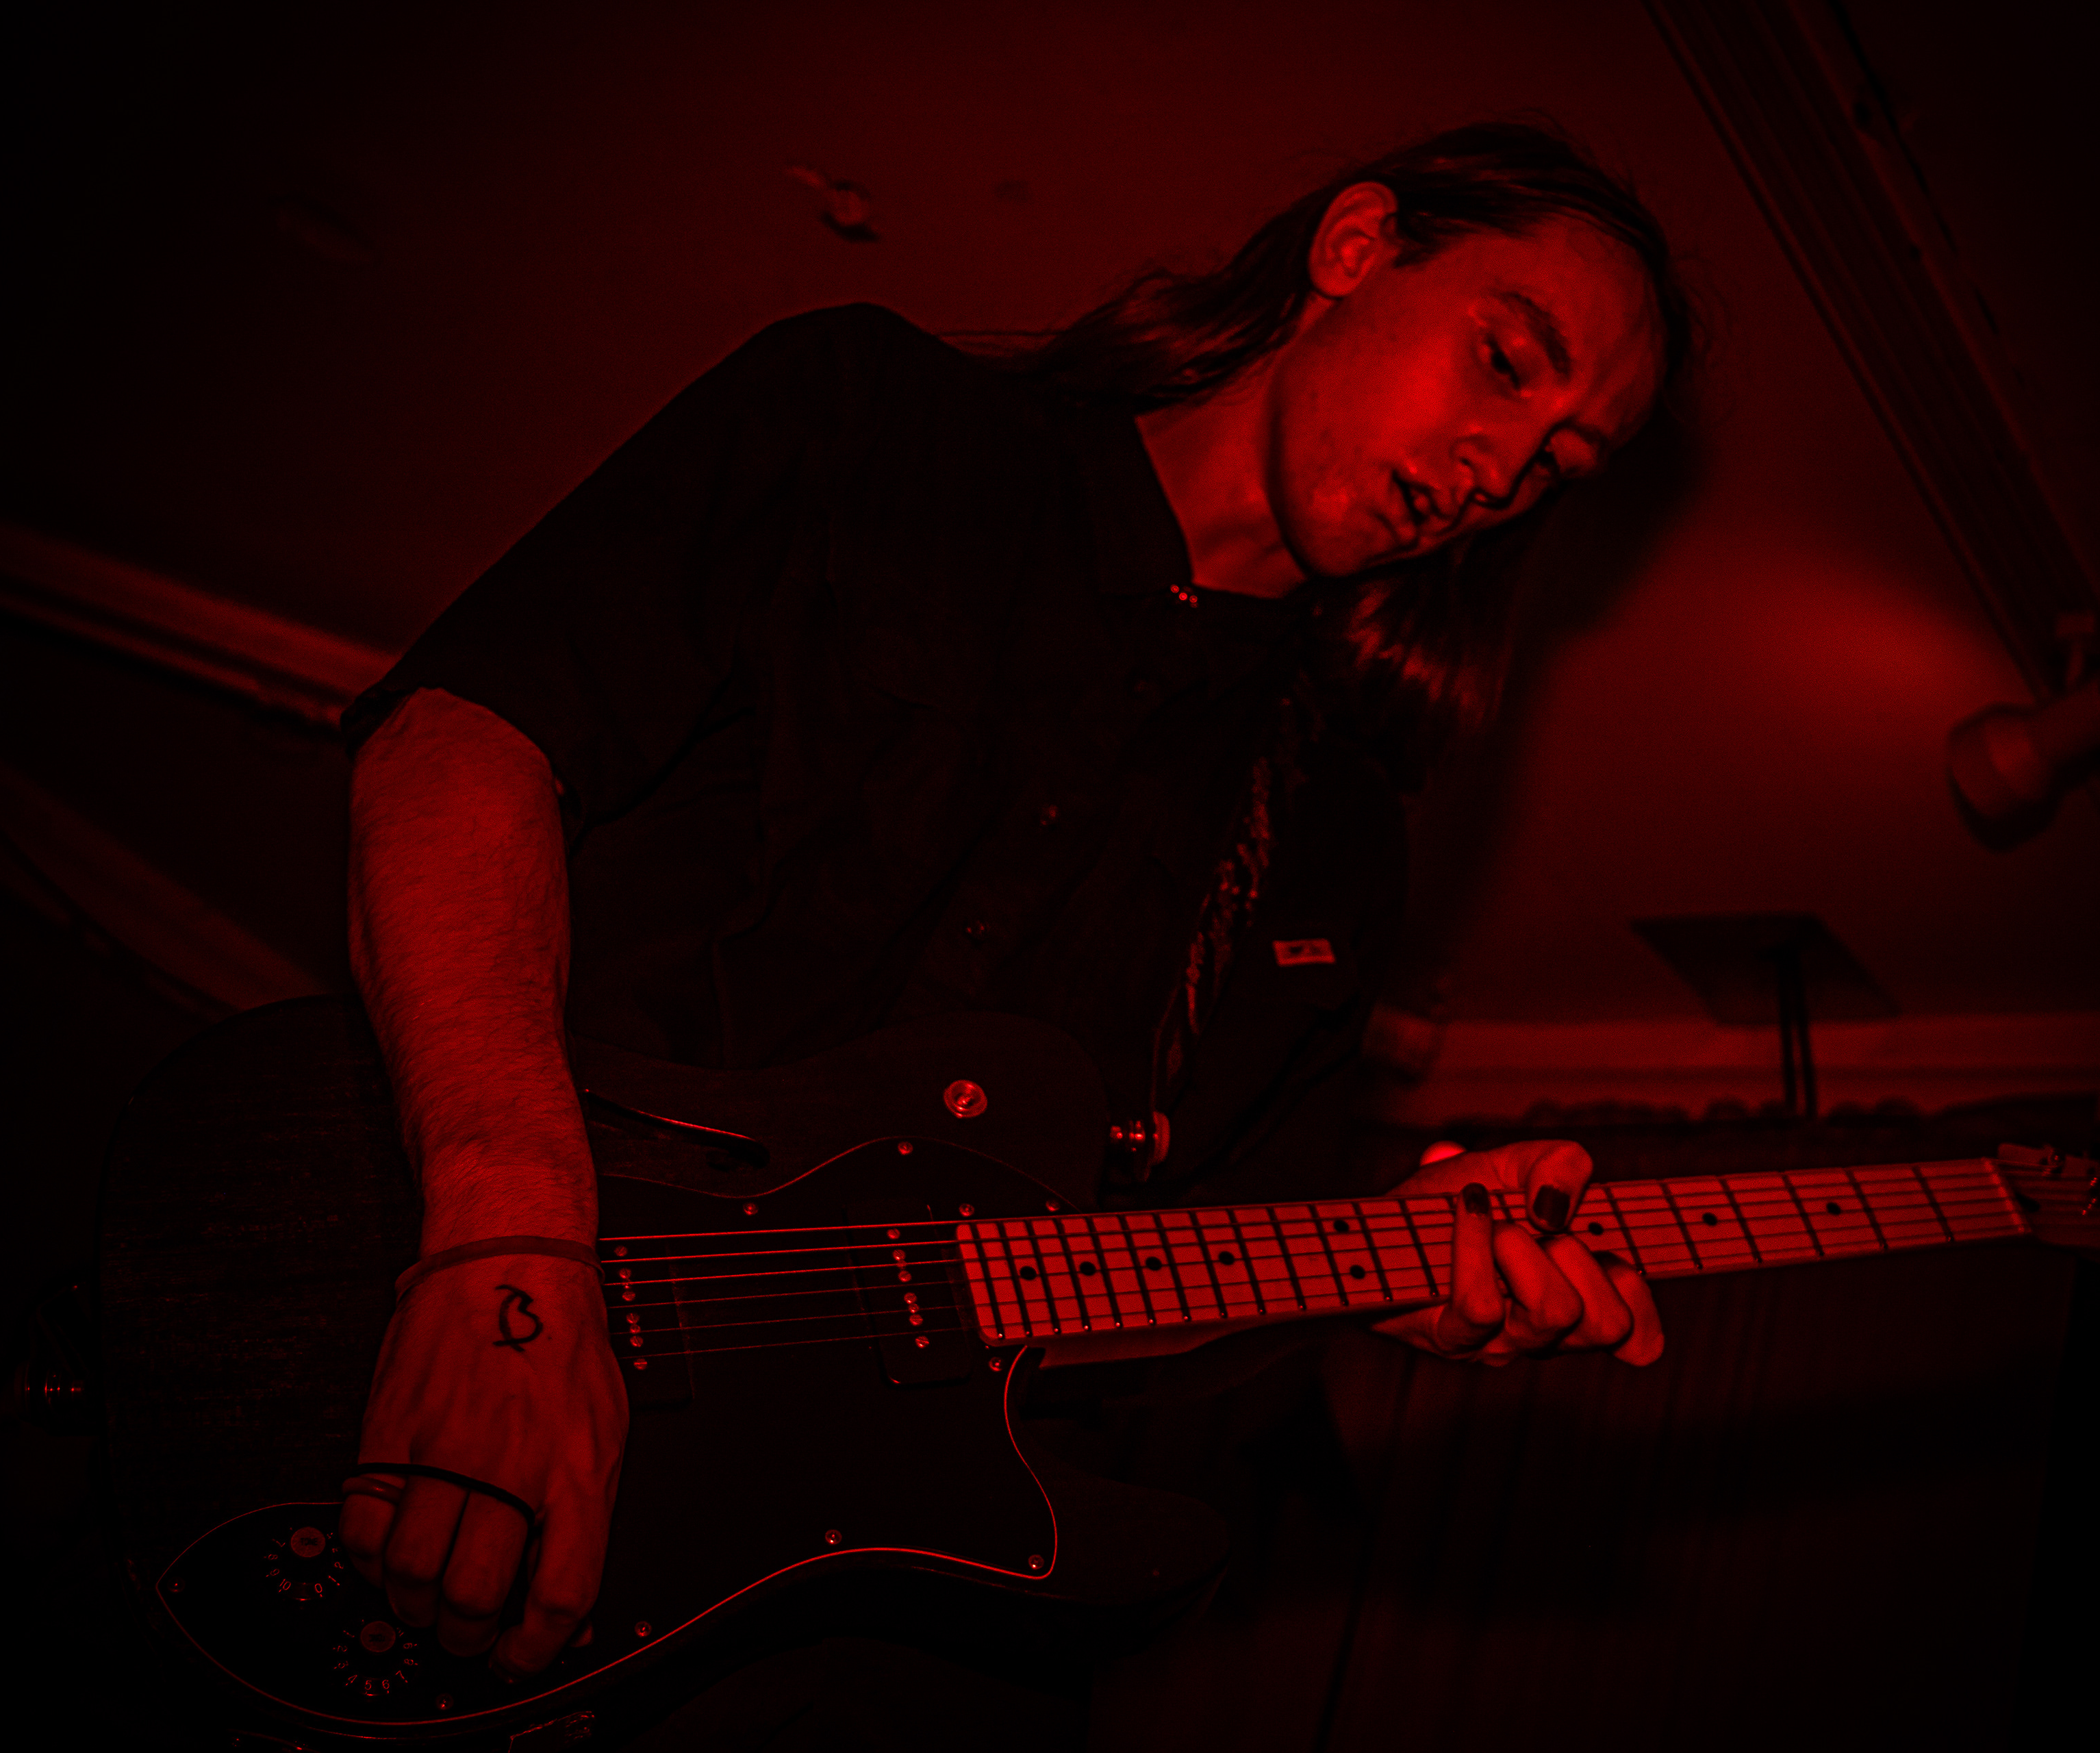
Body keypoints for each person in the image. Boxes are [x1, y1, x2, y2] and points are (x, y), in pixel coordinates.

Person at [331, 120, 1693, 1723]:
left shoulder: (1335, 835)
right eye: (1505, 361)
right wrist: (508, 1247)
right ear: (1354, 247)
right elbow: (460, 742)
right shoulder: (871, 420)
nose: (1496, 469)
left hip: (825, 1640)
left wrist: (1391, 1260)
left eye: (1557, 465)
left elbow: (1153, 1283)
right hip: (421, 1307)